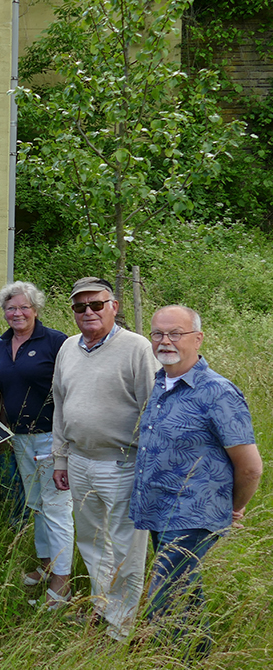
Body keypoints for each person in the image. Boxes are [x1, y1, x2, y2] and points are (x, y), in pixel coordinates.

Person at [131, 305, 262, 653]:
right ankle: (199, 654)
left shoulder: (218, 392)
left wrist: (232, 508)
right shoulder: (161, 382)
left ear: (198, 338)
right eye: (158, 334)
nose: (165, 341)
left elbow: (250, 467)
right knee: (183, 590)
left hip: (194, 512)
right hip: (160, 508)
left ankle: (165, 656)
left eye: (176, 333)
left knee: (164, 591)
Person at [52, 276, 158, 641]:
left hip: (122, 464)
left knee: (127, 546)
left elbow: (153, 409)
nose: (88, 312)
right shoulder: (67, 348)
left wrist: (147, 465)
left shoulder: (137, 348)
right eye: (80, 307)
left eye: (96, 304)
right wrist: (60, 460)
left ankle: (122, 625)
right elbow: (60, 407)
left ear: (113, 306)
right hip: (79, 461)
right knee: (92, 542)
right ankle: (104, 606)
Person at [0, 281, 72, 607]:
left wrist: (64, 444)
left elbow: (70, 390)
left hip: (50, 437)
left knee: (56, 509)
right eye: (11, 308)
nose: (17, 313)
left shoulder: (55, 342)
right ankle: (45, 565)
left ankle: (62, 585)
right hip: (19, 438)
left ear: (36, 309)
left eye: (24, 307)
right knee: (37, 504)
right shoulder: (3, 342)